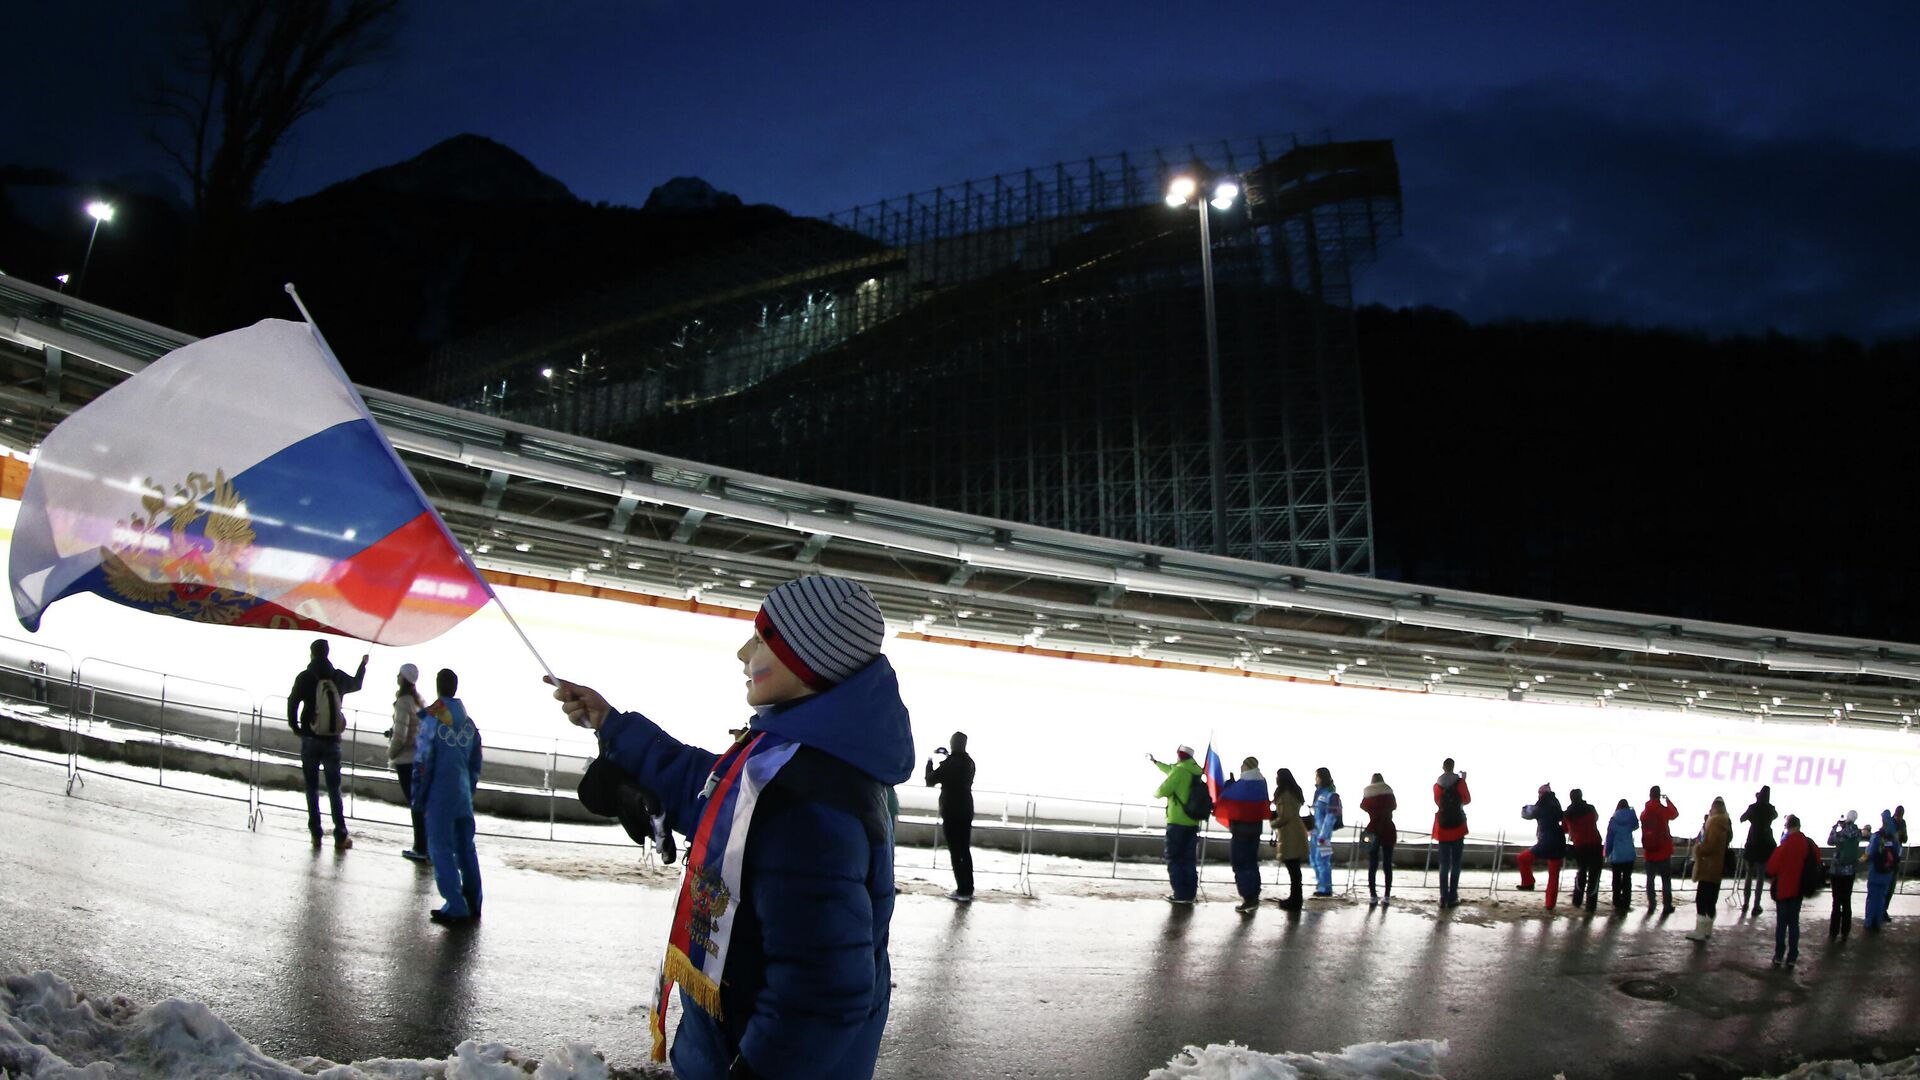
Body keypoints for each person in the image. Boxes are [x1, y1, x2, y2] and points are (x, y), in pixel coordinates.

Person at [550, 574, 910, 1079]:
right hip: (727, 1043)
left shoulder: (810, 799)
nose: (744, 652)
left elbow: (821, 991)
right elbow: (712, 792)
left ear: (809, 662)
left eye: (762, 639)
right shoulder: (789, 755)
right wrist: (612, 726)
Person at [415, 668, 483, 924]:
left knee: (441, 847)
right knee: (466, 847)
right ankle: (474, 899)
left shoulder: (432, 719)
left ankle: (455, 904)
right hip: (463, 793)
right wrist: (469, 788)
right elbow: (476, 762)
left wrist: (419, 797)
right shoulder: (469, 724)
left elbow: (423, 763)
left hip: (439, 794)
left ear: (438, 686)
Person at [286, 640, 367, 849]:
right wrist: (363, 665)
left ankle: (316, 834)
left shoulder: (305, 677)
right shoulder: (337, 676)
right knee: (334, 788)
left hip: (310, 738)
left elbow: (292, 701)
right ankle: (340, 836)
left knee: (311, 788)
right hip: (332, 741)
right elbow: (357, 684)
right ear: (328, 653)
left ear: (311, 654)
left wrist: (296, 727)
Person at [1150, 745, 1206, 905]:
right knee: (1188, 858)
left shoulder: (1180, 771)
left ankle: (1180, 894)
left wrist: (1156, 793)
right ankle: (1189, 894)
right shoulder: (1194, 771)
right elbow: (1170, 769)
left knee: (1174, 857)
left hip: (1177, 821)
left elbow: (1163, 790)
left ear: (1179, 755)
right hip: (1193, 821)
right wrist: (1156, 762)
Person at [385, 663, 429, 862]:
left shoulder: (403, 702)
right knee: (420, 803)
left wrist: (391, 753)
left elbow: (401, 735)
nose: (396, 676)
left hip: (406, 760)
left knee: (415, 805)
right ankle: (426, 846)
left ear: (403, 678)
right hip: (420, 759)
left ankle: (420, 847)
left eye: (399, 674)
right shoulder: (418, 701)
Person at [924, 731, 975, 902]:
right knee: (964, 850)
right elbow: (955, 768)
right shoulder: (969, 763)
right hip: (966, 810)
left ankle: (962, 890)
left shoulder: (950, 764)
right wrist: (947, 758)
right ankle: (968, 887)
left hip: (951, 811)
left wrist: (930, 761)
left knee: (955, 851)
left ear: (952, 743)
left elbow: (930, 781)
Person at [1764, 815, 1819, 968]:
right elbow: (1817, 859)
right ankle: (1792, 957)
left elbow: (1771, 867)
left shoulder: (1785, 845)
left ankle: (1779, 955)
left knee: (1781, 924)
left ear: (1788, 827)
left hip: (1783, 889)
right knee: (1794, 923)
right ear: (1799, 826)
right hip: (1798, 889)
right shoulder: (1808, 844)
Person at [1221, 757, 1270, 913]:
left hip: (1241, 830)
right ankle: (1254, 895)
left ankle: (1248, 897)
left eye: (1242, 764)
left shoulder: (1243, 784)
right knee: (1251, 862)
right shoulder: (1262, 782)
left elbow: (1227, 797)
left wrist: (1229, 785)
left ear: (1247, 766)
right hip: (1255, 830)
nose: (1241, 767)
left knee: (1239, 863)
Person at [1686, 797, 1733, 942]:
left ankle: (1700, 931)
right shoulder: (1725, 824)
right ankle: (1707, 929)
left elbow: (1709, 846)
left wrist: (1698, 849)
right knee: (1711, 900)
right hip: (1717, 868)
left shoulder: (1714, 823)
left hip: (1708, 867)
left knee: (1701, 898)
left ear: (1714, 808)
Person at [1516, 783, 1566, 908]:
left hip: (1546, 841)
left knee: (1522, 858)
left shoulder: (1542, 804)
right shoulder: (1556, 804)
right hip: (1559, 841)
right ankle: (1550, 905)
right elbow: (1562, 817)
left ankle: (1528, 882)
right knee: (1553, 876)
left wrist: (1525, 807)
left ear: (1542, 794)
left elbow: (1526, 814)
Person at [1432, 759, 1471, 908]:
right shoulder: (1460, 783)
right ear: (1453, 768)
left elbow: (1438, 802)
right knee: (1455, 863)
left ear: (1443, 767)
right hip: (1458, 828)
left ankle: (1443, 897)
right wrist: (1464, 781)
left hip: (1443, 828)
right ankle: (1453, 897)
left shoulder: (1437, 786)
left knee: (1444, 864)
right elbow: (1467, 800)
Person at [1271, 767, 1309, 909]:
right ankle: (1295, 898)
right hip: (1296, 831)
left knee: (1293, 870)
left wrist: (1273, 822)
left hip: (1289, 834)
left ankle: (1295, 901)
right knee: (1295, 870)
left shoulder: (1285, 794)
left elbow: (1285, 816)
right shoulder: (1294, 792)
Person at [1738, 785, 1779, 918]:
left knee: (1748, 876)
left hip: (1751, 844)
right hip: (1764, 846)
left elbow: (1742, 818)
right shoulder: (1770, 809)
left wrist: (1756, 802)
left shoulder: (1753, 807)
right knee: (1760, 877)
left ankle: (1745, 904)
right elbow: (1775, 816)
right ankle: (1756, 905)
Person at [1562, 788, 1603, 915]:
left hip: (1579, 846)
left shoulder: (1568, 813)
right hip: (1595, 845)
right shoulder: (1590, 808)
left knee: (1581, 871)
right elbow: (1596, 818)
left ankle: (1577, 900)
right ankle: (1590, 905)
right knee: (1594, 875)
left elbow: (1564, 828)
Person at [1827, 810, 1866, 942]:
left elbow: (1830, 841)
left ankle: (1834, 931)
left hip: (1837, 871)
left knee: (1836, 901)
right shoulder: (1858, 833)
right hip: (1850, 871)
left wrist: (1835, 827)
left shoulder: (1841, 832)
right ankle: (1845, 930)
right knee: (1847, 900)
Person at [1641, 786, 1680, 916]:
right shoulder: (1663, 811)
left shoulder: (1644, 813)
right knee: (1665, 881)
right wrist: (1668, 800)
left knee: (1650, 880)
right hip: (1663, 851)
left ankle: (1652, 904)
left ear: (1649, 795)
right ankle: (1667, 905)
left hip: (1650, 852)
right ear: (1659, 795)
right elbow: (1675, 814)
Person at [1359, 772, 1397, 906]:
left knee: (1372, 864)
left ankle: (1373, 896)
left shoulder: (1368, 794)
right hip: (1388, 829)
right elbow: (1394, 806)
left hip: (1372, 830)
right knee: (1387, 864)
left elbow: (1362, 806)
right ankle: (1387, 896)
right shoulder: (1389, 793)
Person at [1864, 810, 1901, 931]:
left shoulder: (1877, 836)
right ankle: (1877, 923)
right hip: (1887, 873)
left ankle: (1869, 922)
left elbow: (1869, 853)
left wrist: (1862, 859)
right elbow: (1899, 853)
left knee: (1872, 897)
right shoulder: (1894, 838)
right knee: (1881, 898)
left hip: (1875, 871)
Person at [1309, 767, 1341, 898]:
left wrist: (1324, 834)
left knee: (1322, 859)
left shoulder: (1331, 795)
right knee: (1314, 859)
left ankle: (1326, 888)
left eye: (1317, 776)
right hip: (1315, 832)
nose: (1315, 779)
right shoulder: (1318, 794)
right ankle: (1320, 884)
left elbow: (1331, 816)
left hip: (1324, 835)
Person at [1604, 798, 1639, 913]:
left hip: (1617, 854)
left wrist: (1606, 852)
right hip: (1629, 853)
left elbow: (1609, 838)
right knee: (1627, 879)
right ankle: (1626, 902)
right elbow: (1636, 825)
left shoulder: (1613, 820)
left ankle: (1616, 901)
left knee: (1616, 879)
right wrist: (1632, 812)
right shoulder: (1630, 818)